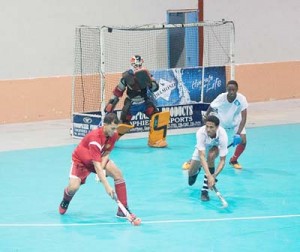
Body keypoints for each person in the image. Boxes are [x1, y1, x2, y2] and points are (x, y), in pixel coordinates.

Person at [58, 113, 136, 219]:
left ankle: (123, 209)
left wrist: (102, 171)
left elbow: (106, 153)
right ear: (105, 125)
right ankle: (66, 200)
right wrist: (107, 187)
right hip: (81, 162)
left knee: (118, 174)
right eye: (112, 128)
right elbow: (97, 165)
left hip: (98, 159)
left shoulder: (113, 135)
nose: (114, 132)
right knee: (73, 187)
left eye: (115, 129)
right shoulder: (95, 138)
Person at [105, 55, 170, 148]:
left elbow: (155, 88)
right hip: (131, 104)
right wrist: (111, 103)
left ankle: (156, 140)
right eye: (136, 65)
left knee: (156, 118)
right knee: (123, 124)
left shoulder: (146, 74)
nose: (138, 67)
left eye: (139, 65)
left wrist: (151, 83)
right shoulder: (126, 77)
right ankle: (111, 140)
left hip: (145, 103)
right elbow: (118, 91)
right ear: (132, 64)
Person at [203, 80, 248, 169]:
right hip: (222, 124)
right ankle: (194, 160)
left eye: (233, 90)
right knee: (211, 144)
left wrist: (238, 134)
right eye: (229, 90)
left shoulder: (242, 99)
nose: (231, 92)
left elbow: (244, 118)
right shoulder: (221, 97)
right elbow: (212, 106)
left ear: (237, 89)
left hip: (236, 123)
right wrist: (206, 116)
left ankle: (233, 160)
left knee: (243, 141)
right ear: (227, 89)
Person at [187, 115, 228, 201]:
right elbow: (202, 156)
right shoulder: (201, 132)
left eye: (211, 127)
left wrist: (214, 176)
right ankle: (197, 170)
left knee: (211, 156)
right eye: (207, 126)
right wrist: (209, 175)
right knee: (190, 176)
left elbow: (222, 161)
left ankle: (204, 191)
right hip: (202, 148)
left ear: (217, 127)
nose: (208, 129)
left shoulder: (223, 135)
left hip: (215, 148)